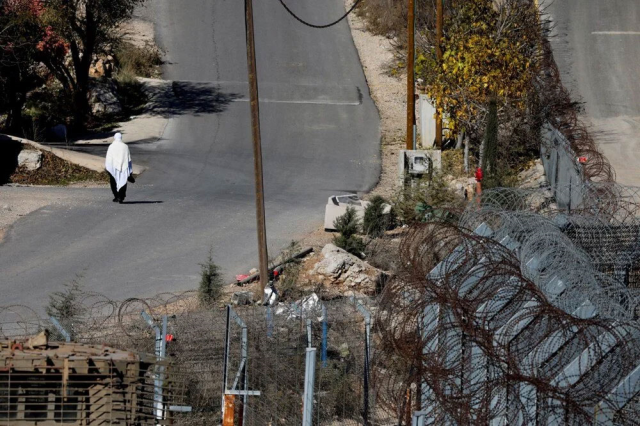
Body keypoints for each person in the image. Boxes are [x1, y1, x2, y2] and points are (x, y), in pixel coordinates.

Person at [105, 133, 134, 203]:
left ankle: (116, 196)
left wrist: (107, 167)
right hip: (123, 166)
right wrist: (130, 170)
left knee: (113, 181)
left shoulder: (111, 146)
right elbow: (128, 159)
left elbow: (108, 158)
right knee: (123, 181)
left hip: (114, 167)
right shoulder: (125, 146)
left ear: (115, 137)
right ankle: (121, 196)